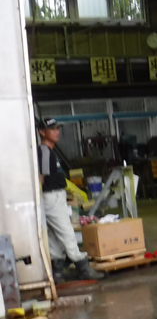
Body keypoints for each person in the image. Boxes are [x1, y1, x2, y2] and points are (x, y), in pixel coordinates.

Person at [36, 119, 104, 282]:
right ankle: (83, 268)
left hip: (54, 196)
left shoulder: (50, 151)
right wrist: (38, 199)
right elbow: (41, 178)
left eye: (57, 128)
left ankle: (57, 272)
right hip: (51, 196)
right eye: (52, 129)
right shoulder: (45, 151)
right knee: (67, 232)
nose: (56, 132)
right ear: (42, 132)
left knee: (54, 235)